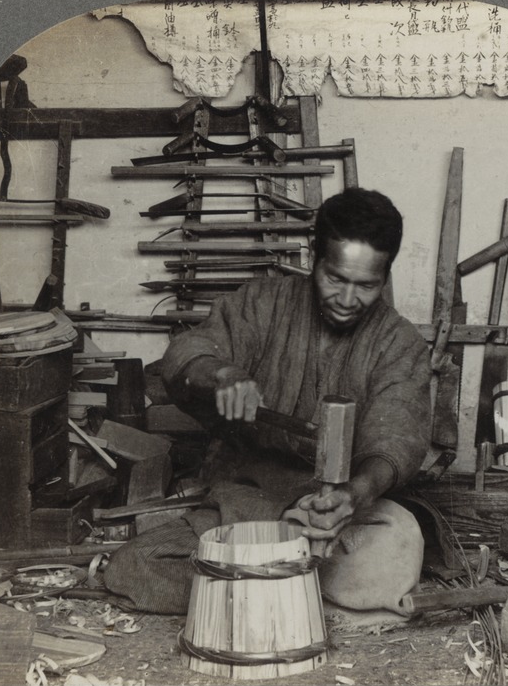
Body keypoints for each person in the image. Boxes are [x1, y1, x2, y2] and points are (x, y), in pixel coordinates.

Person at [105, 188, 433, 623]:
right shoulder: (263, 303)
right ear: (314, 258)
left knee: (394, 547)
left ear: (385, 276)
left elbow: (398, 433)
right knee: (134, 567)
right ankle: (296, 593)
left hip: (342, 512)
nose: (348, 299)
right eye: (335, 278)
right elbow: (189, 351)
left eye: (366, 285)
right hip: (249, 499)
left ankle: (248, 586)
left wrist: (356, 494)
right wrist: (222, 374)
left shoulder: (399, 342)